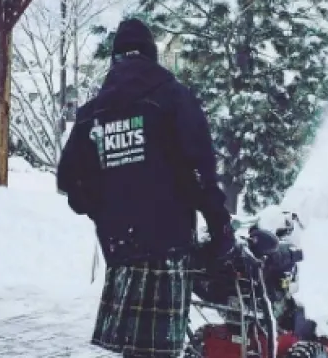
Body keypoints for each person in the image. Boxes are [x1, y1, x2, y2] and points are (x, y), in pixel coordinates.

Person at [57, 18, 254, 357]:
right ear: (152, 55)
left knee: (135, 348)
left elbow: (69, 183)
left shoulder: (93, 113)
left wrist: (106, 210)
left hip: (120, 248)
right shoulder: (173, 98)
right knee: (157, 349)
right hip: (168, 242)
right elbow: (200, 172)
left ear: (115, 59)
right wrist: (220, 229)